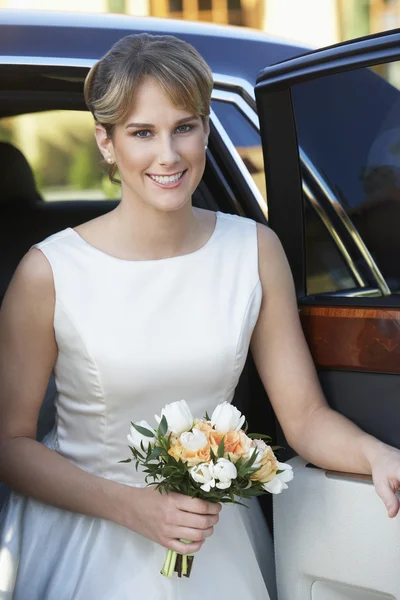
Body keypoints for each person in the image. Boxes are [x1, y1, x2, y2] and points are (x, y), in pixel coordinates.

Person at [0, 32, 400, 600]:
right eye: (142, 133)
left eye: (185, 127)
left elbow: (305, 417)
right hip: (88, 538)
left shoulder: (254, 251)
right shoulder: (48, 272)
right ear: (106, 143)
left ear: (206, 131)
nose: (169, 155)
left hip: (214, 541)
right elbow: (11, 444)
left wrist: (377, 456)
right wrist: (137, 508)